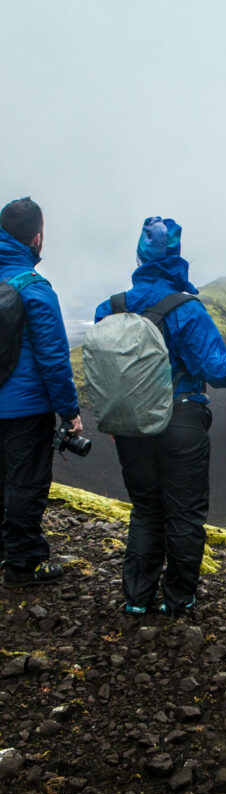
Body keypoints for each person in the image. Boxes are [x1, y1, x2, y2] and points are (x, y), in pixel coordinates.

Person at [94, 216, 226, 617]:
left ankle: (136, 598)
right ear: (177, 255)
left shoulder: (108, 308)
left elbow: (106, 372)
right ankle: (178, 599)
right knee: (184, 514)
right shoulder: (186, 310)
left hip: (130, 427)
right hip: (181, 424)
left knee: (146, 509)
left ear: (140, 256)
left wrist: (115, 419)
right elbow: (219, 370)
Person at [0, 197, 82, 587]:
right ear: (37, 238)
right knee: (25, 485)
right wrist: (70, 412)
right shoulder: (35, 289)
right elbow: (53, 360)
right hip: (25, 410)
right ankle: (24, 563)